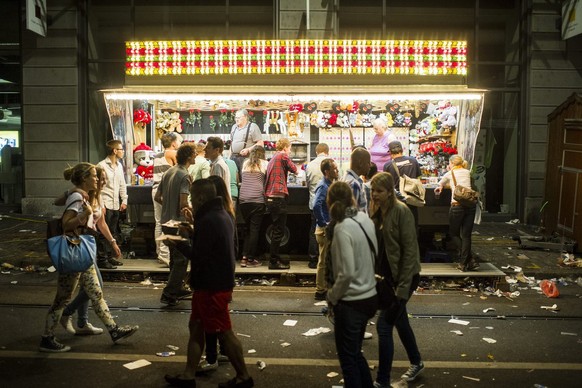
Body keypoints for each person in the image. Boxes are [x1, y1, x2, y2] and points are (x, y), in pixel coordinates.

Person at [164, 179, 254, 388]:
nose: (191, 202)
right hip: (213, 283)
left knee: (223, 331)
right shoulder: (221, 215)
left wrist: (177, 243)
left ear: (201, 197)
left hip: (211, 285)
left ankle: (244, 377)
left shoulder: (209, 219)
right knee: (196, 327)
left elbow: (199, 255)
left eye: (193, 198)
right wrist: (192, 232)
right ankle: (188, 375)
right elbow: (211, 243)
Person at [40, 163, 138, 353]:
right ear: (84, 178)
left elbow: (98, 222)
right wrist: (84, 214)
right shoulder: (77, 197)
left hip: (81, 252)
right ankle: (47, 338)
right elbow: (66, 225)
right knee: (63, 298)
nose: (97, 179)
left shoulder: (84, 196)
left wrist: (112, 242)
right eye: (93, 176)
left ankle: (113, 330)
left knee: (96, 293)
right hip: (74, 251)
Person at [369, 172, 424, 387]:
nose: (374, 195)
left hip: (404, 278)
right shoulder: (376, 211)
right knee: (400, 321)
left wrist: (403, 288)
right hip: (386, 280)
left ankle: (382, 381)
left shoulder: (401, 212)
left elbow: (410, 251)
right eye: (373, 190)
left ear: (390, 192)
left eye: (379, 191)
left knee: (384, 326)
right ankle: (417, 361)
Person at [326, 181, 378, 388]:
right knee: (355, 353)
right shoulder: (365, 219)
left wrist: (332, 295)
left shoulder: (341, 228)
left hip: (351, 302)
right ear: (352, 198)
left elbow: (345, 273)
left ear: (329, 202)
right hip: (370, 296)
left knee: (348, 359)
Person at [58, 166, 121, 336]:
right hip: (78, 247)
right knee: (93, 289)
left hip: (88, 246)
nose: (103, 181)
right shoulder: (81, 196)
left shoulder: (96, 196)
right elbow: (64, 217)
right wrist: (71, 192)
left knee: (88, 289)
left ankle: (82, 322)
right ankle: (66, 315)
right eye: (100, 178)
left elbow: (101, 224)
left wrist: (113, 242)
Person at [154, 143, 197, 306]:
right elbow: (183, 203)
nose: (195, 157)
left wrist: (168, 206)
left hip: (166, 222)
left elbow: (158, 197)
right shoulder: (185, 176)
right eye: (194, 154)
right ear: (188, 157)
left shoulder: (169, 172)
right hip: (179, 224)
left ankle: (177, 287)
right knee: (181, 259)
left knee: (174, 257)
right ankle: (169, 293)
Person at [434, 155, 479, 272]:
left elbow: (441, 183)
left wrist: (440, 187)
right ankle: (466, 262)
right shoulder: (468, 172)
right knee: (466, 235)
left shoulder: (450, 173)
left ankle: (468, 260)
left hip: (457, 206)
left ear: (452, 163)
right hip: (470, 206)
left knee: (453, 233)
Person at [264, 138, 297, 270]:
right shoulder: (283, 155)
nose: (290, 150)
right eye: (289, 147)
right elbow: (294, 169)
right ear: (285, 147)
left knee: (276, 229)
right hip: (278, 197)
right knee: (279, 231)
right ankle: (273, 262)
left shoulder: (272, 158)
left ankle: (275, 258)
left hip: (271, 197)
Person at [97, 139, 128, 269]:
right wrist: (101, 205)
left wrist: (124, 199)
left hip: (116, 203)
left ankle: (110, 257)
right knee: (103, 233)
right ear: (115, 151)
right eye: (121, 149)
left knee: (113, 232)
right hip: (106, 203)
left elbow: (122, 184)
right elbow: (98, 187)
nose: (123, 151)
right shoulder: (101, 165)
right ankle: (102, 258)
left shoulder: (119, 166)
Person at [153, 132, 182, 267]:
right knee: (167, 222)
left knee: (159, 222)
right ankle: (165, 255)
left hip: (155, 189)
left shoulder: (157, 155)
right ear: (173, 143)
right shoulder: (172, 153)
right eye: (179, 142)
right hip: (165, 191)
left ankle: (160, 252)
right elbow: (180, 168)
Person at [312, 158, 338, 301]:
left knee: (327, 260)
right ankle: (320, 290)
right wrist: (324, 224)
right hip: (323, 230)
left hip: (326, 227)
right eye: (334, 168)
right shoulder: (324, 186)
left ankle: (324, 287)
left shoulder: (329, 185)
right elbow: (316, 205)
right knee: (323, 261)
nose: (337, 170)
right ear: (327, 171)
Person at [239, 146, 268, 268]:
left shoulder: (245, 163)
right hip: (257, 199)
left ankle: (244, 258)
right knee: (254, 229)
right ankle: (251, 259)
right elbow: (267, 181)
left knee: (247, 229)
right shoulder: (265, 164)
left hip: (243, 199)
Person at [384, 140, 422, 227]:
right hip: (412, 198)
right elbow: (418, 177)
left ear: (390, 152)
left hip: (396, 199)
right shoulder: (413, 161)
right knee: (412, 224)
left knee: (398, 225)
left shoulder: (388, 165)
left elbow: (387, 183)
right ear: (402, 149)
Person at [305, 143, 330, 269]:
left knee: (314, 231)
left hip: (313, 202)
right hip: (329, 204)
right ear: (327, 151)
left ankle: (313, 260)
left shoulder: (309, 165)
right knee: (328, 232)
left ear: (316, 152)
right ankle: (325, 258)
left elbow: (308, 184)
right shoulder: (332, 164)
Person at [230, 109, 264, 175]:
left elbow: (260, 143)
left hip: (246, 159)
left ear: (245, 117)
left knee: (245, 178)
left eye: (239, 117)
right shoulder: (234, 127)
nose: (237, 119)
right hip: (233, 158)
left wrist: (248, 150)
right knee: (234, 178)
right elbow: (232, 143)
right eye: (236, 117)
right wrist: (229, 157)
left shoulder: (252, 126)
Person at [341, 147, 371, 214]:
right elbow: (352, 214)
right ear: (360, 163)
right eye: (368, 163)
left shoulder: (345, 178)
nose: (370, 166)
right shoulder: (354, 184)